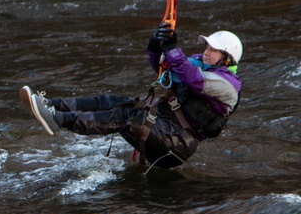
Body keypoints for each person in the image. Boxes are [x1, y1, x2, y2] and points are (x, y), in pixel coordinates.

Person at [20, 24, 242, 169]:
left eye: (213, 50)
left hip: (175, 145)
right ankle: (51, 105)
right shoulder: (199, 64)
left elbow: (192, 78)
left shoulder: (228, 86)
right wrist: (155, 47)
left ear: (227, 59)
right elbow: (165, 70)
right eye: (207, 46)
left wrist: (174, 49)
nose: (206, 51)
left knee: (129, 116)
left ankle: (58, 121)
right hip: (164, 129)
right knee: (113, 101)